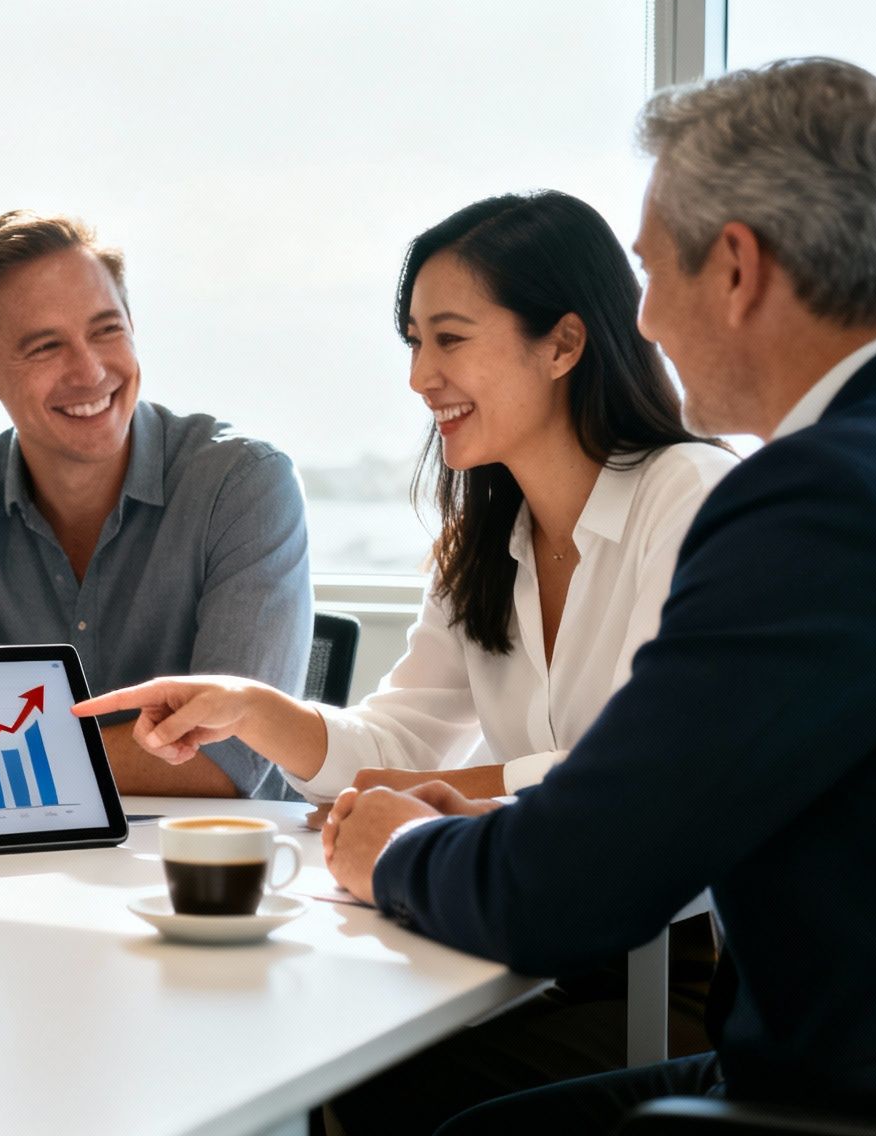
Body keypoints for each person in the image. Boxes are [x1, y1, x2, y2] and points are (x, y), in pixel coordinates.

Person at [146, 58, 876, 1130]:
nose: (643, 319)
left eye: (652, 274)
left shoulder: (810, 498)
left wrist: (404, 846)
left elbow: (578, 873)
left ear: (736, 267)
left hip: (838, 1080)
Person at [77, 190, 734, 1133]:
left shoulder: (691, 496)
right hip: (519, 943)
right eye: (413, 342)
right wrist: (252, 708)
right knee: (327, 1066)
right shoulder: (486, 532)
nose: (422, 377)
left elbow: (635, 778)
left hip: (671, 979)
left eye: (450, 339)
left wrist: (427, 795)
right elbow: (397, 735)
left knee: (374, 1090)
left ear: (563, 343)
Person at [0, 210, 313, 815]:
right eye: (46, 346)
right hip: (1, 868)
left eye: (106, 330)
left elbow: (227, 758)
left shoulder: (243, 485)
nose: (90, 371)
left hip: (202, 873)